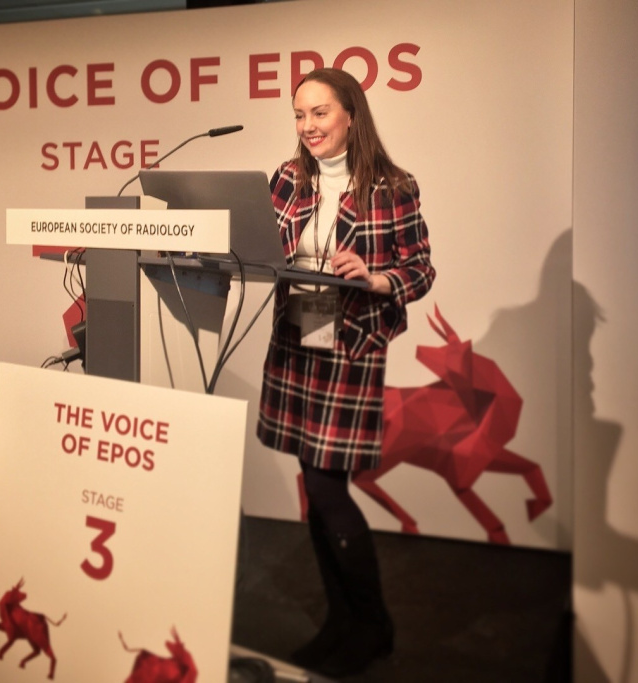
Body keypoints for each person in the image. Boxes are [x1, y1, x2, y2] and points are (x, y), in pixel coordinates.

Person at [257, 67, 435, 678]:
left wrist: (376, 277)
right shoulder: (288, 178)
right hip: (297, 337)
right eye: (299, 114)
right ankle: (341, 620)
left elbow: (420, 269)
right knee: (315, 488)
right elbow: (262, 247)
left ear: (350, 116)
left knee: (327, 488)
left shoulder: (393, 186)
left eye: (320, 113)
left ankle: (373, 625)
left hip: (351, 345)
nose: (307, 126)